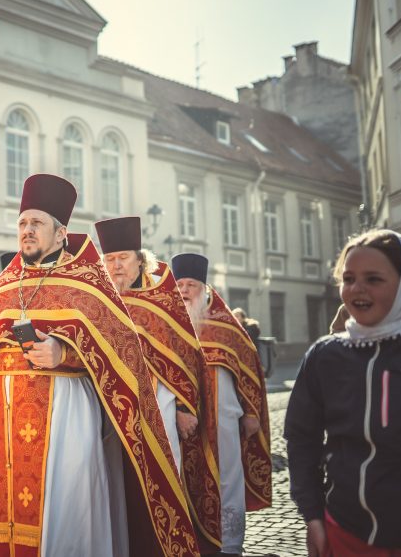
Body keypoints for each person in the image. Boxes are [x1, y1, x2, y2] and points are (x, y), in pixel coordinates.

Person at [0, 174, 199, 557]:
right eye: (22, 223)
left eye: (37, 223)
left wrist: (66, 355)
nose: (27, 231)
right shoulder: (6, 284)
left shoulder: (87, 283)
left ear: (61, 234)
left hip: (65, 416)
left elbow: (120, 354)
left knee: (64, 517)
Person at [285, 229, 401, 556]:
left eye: (373, 279)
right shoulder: (325, 356)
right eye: (348, 278)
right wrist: (313, 516)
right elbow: (301, 437)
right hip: (345, 534)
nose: (356, 289)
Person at [97, 216, 221, 553]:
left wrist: (184, 408)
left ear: (141, 260)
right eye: (109, 259)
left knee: (161, 486)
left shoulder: (163, 301)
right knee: (115, 490)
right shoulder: (99, 304)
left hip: (160, 412)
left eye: (122, 257)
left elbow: (186, 359)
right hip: (110, 417)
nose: (116, 265)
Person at [172, 253, 272, 557]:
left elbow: (250, 368)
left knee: (226, 476)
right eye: (180, 285)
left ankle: (229, 545)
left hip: (225, 421)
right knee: (188, 479)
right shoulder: (171, 324)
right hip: (184, 424)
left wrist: (252, 412)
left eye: (191, 284)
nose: (185, 290)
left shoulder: (225, 326)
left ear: (204, 288)